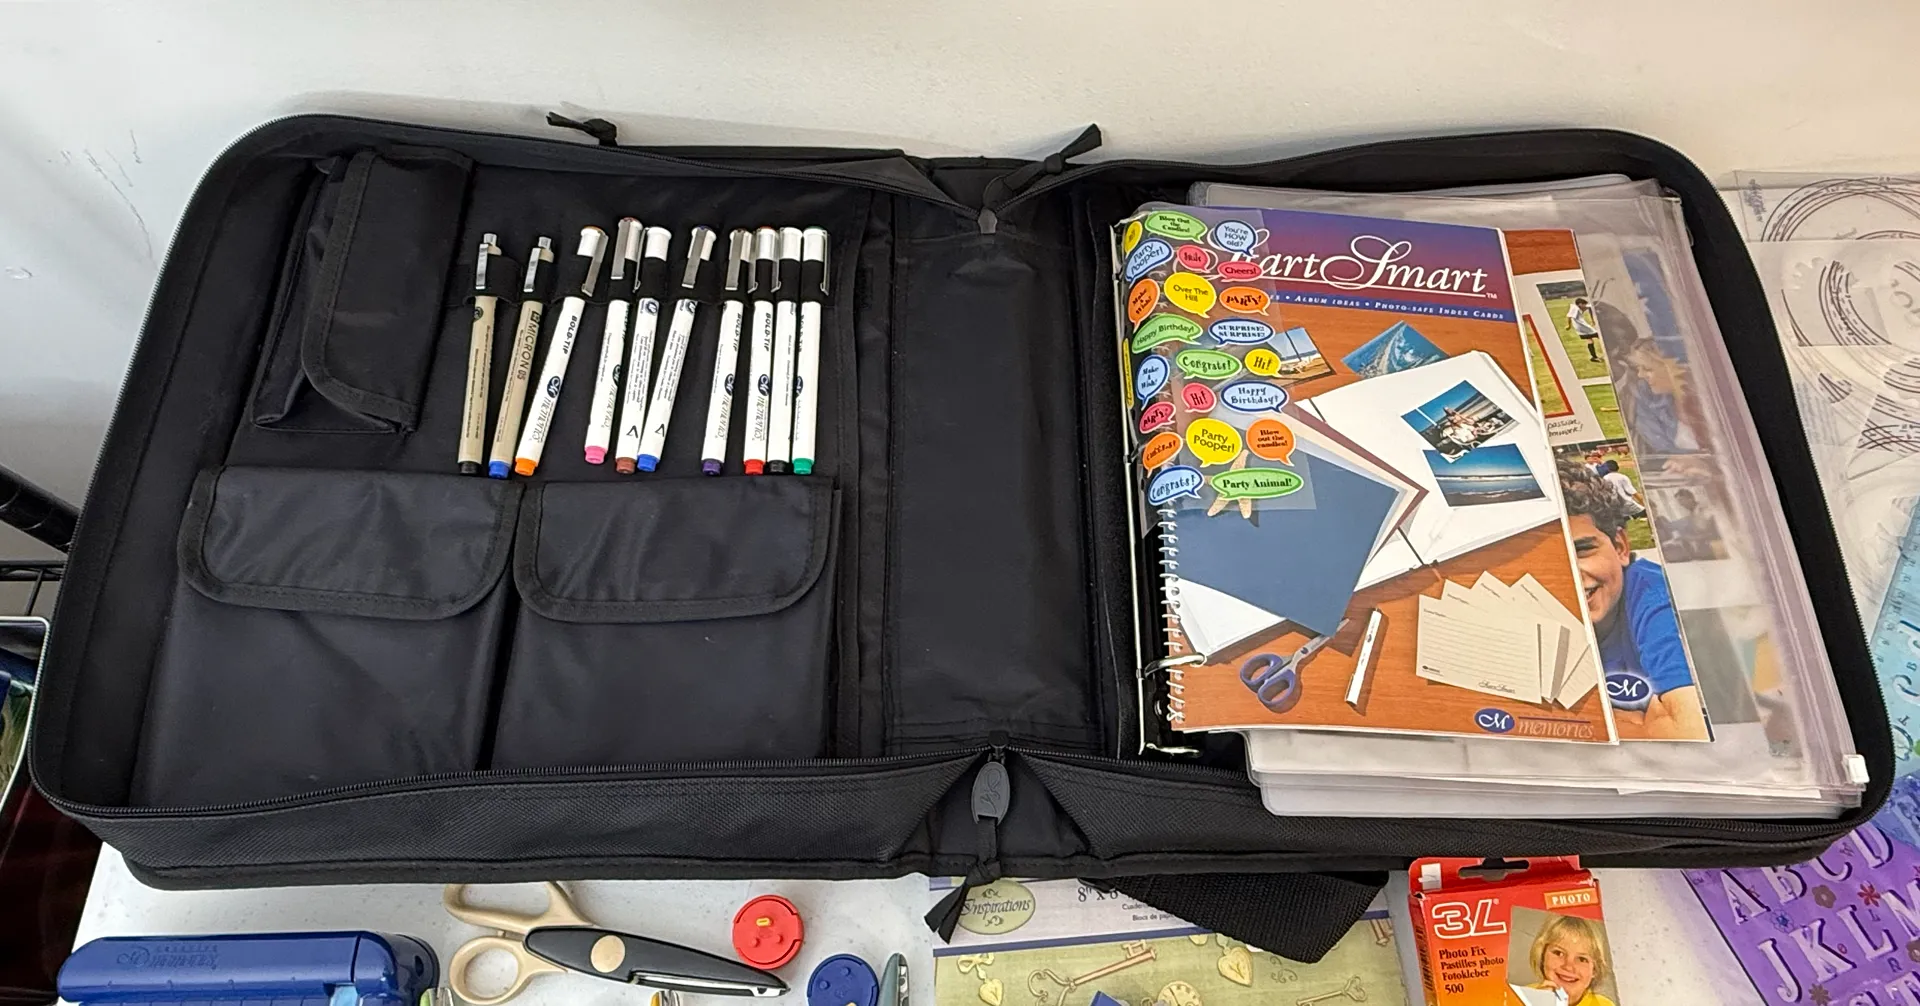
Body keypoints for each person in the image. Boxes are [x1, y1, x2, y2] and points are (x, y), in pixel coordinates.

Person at [1557, 460, 1704, 738]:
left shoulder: (1655, 594)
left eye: (1583, 550)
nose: (1570, 575)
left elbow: (1688, 732)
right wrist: (1640, 724)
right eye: (1548, 561)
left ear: (1620, 547)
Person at [1519, 914, 1616, 1006]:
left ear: (1594, 969)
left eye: (1581, 959)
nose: (1568, 967)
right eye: (1559, 953)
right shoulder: (1521, 999)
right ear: (1542, 955)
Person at [1567, 296, 1603, 363]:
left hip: (1582, 327)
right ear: (1580, 304)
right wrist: (1569, 325)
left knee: (1590, 340)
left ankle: (1594, 357)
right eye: (1584, 304)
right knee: (1599, 335)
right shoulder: (1574, 308)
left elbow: (1590, 308)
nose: (1585, 306)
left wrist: (1592, 319)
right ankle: (1612, 352)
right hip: (1581, 327)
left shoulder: (1580, 307)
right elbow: (1569, 316)